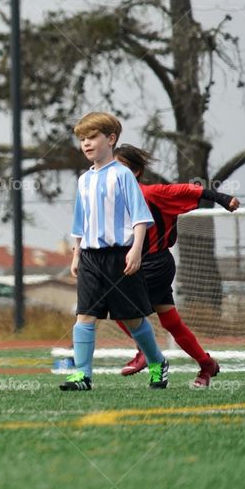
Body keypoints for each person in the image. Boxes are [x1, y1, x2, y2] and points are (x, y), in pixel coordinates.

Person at [112, 144, 238, 388]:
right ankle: (206, 364)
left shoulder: (152, 193)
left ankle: (147, 355)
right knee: (171, 322)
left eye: (121, 167)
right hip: (135, 264)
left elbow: (193, 190)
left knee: (120, 307)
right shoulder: (109, 200)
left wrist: (223, 199)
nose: (115, 173)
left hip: (154, 263)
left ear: (135, 172)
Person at [62, 112, 169, 391]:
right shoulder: (84, 179)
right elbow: (80, 222)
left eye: (92, 137)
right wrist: (76, 253)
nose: (86, 143)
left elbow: (140, 217)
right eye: (82, 139)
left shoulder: (122, 175)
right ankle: (82, 376)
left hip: (120, 256)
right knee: (84, 315)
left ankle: (157, 362)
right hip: (90, 258)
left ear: (110, 139)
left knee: (133, 320)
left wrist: (135, 250)